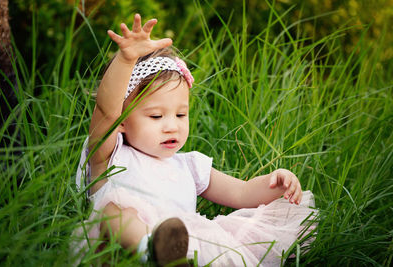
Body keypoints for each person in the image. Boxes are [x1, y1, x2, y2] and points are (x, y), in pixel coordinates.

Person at [74, 14, 317, 266]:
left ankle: (173, 254)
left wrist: (274, 183)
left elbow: (241, 192)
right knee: (114, 212)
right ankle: (151, 249)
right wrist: (126, 60)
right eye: (156, 116)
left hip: (185, 246)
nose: (172, 125)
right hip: (119, 252)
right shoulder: (111, 157)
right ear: (122, 121)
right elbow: (106, 111)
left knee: (209, 242)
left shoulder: (189, 166)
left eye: (181, 114)